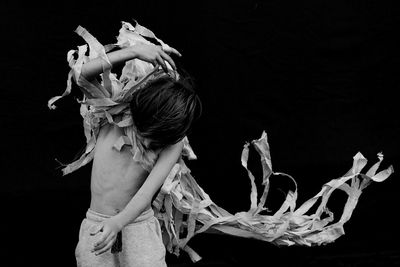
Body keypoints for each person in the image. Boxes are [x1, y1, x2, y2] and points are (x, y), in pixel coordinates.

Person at [49, 22, 201, 267]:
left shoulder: (173, 142)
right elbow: (81, 74)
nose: (149, 142)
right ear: (141, 109)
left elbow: (145, 193)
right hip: (97, 223)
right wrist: (133, 51)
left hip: (137, 226)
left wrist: (118, 223)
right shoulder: (115, 114)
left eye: (157, 140)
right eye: (147, 131)